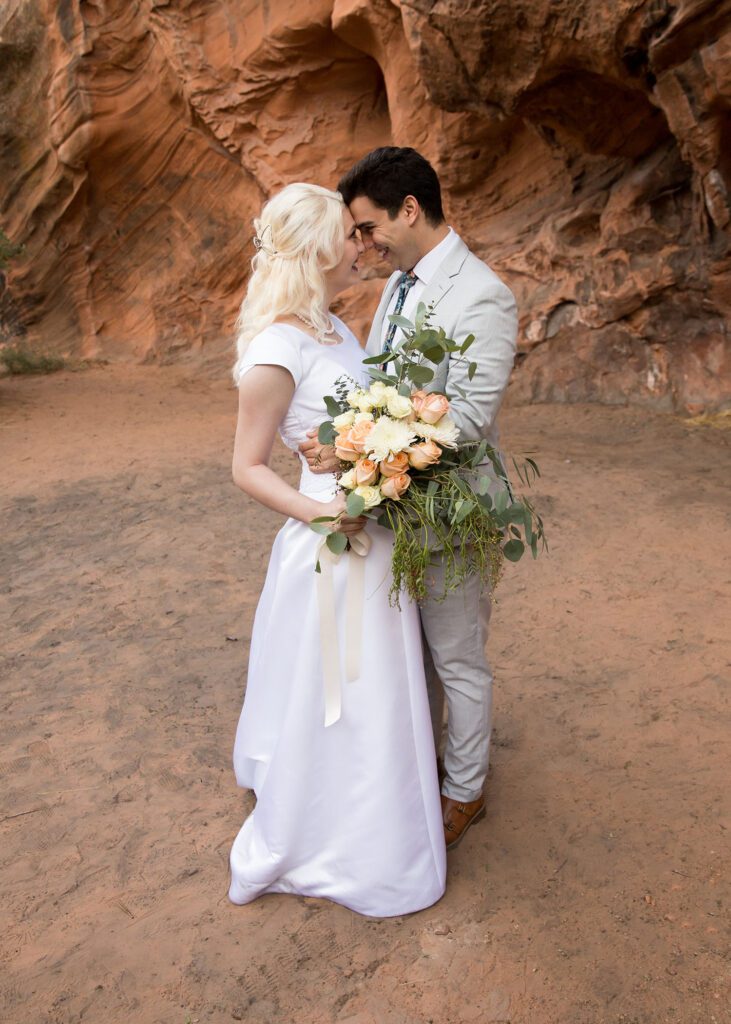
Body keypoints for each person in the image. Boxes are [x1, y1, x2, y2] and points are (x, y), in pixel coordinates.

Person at [228, 182, 446, 917]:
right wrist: (322, 513)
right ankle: (329, 830)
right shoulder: (274, 348)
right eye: (348, 236)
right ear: (319, 249)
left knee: (374, 693)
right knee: (335, 696)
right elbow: (246, 467)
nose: (362, 245)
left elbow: (341, 430)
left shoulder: (335, 331)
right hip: (328, 546)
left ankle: (374, 813)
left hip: (372, 536)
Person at [300, 148, 518, 851]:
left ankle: (464, 792)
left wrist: (356, 451)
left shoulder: (481, 294)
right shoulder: (399, 286)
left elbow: (464, 421)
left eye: (367, 229)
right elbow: (384, 384)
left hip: (453, 510)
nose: (361, 246)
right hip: (397, 503)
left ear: (410, 210)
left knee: (456, 657)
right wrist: (344, 433)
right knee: (408, 656)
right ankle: (417, 771)